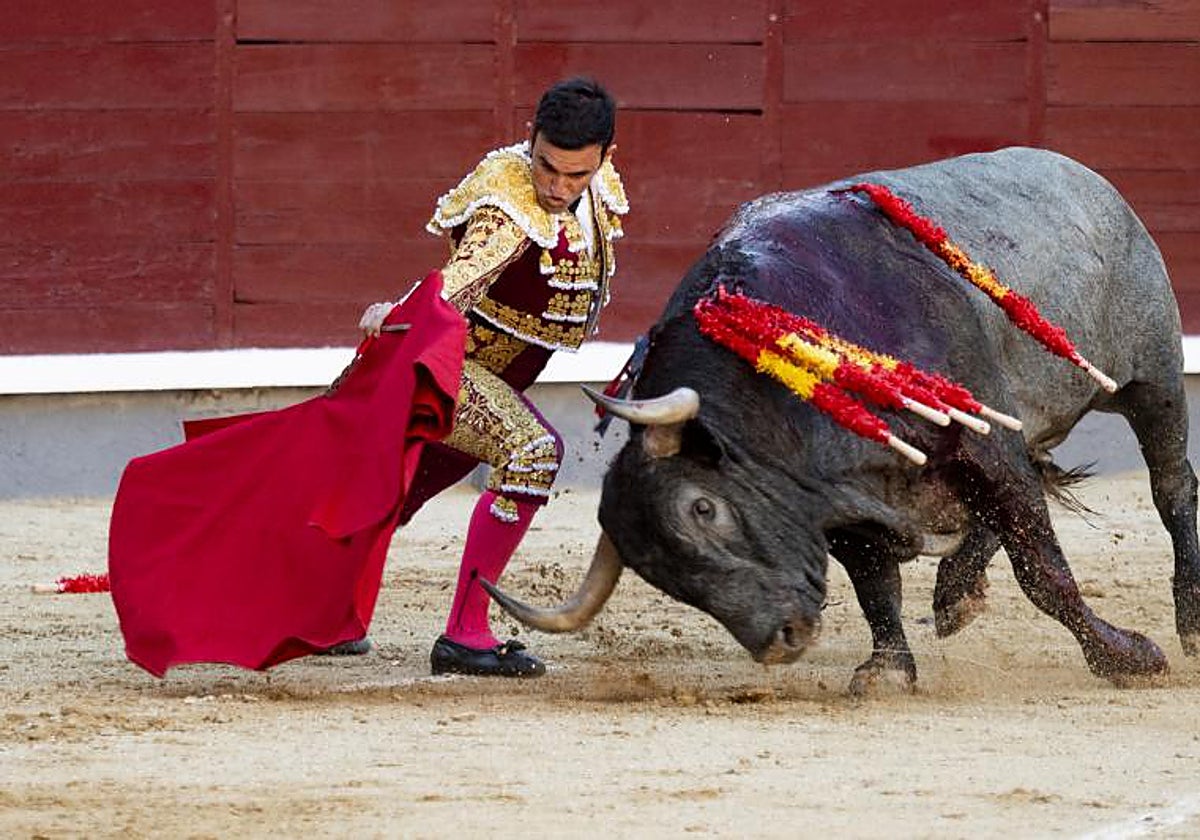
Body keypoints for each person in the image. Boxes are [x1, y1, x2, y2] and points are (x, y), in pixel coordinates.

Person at [353, 77, 628, 677]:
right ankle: (466, 634)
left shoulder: (598, 185)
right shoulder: (507, 209)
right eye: (546, 167)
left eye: (575, 175)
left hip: (502, 376)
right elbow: (455, 286)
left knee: (388, 493)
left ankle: (322, 615)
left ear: (605, 157)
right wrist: (397, 317)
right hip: (454, 368)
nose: (557, 188)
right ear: (530, 141)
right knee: (532, 453)